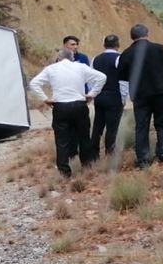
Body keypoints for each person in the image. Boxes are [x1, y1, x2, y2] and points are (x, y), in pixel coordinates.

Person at [29, 48, 106, 177]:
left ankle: (64, 171)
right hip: (79, 105)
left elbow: (34, 83)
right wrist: (92, 94)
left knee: (61, 140)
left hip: (60, 106)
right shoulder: (80, 67)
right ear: (73, 57)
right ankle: (87, 167)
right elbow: (102, 77)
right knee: (84, 137)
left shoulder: (51, 69)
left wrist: (45, 99)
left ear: (59, 57)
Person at [117, 23, 163, 169]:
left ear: (132, 36)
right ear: (147, 33)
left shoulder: (127, 53)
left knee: (141, 126)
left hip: (140, 94)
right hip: (161, 91)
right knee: (161, 123)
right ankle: (162, 154)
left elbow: (121, 74)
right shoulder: (159, 48)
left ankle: (143, 159)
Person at [90, 34, 129, 156]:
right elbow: (123, 80)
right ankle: (109, 153)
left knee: (98, 126)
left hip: (100, 95)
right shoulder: (120, 58)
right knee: (112, 127)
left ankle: (93, 153)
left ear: (104, 45)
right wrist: (123, 98)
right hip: (114, 95)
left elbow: (91, 79)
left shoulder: (95, 59)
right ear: (118, 45)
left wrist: (93, 93)